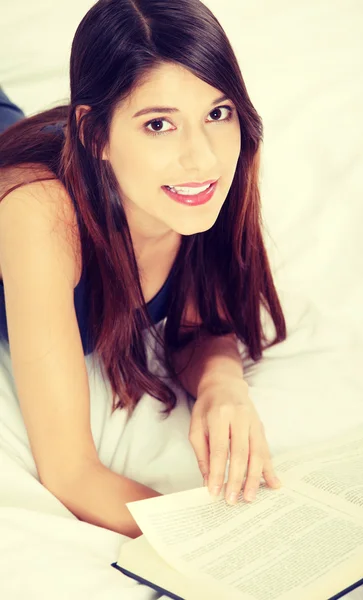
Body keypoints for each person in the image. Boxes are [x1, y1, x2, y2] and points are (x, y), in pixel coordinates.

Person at [0, 0, 286, 540]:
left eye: (217, 113)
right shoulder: (39, 215)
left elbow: (196, 325)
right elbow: (71, 474)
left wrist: (222, 384)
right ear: (93, 135)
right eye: (159, 124)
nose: (201, 157)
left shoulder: (203, 186)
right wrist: (225, 545)